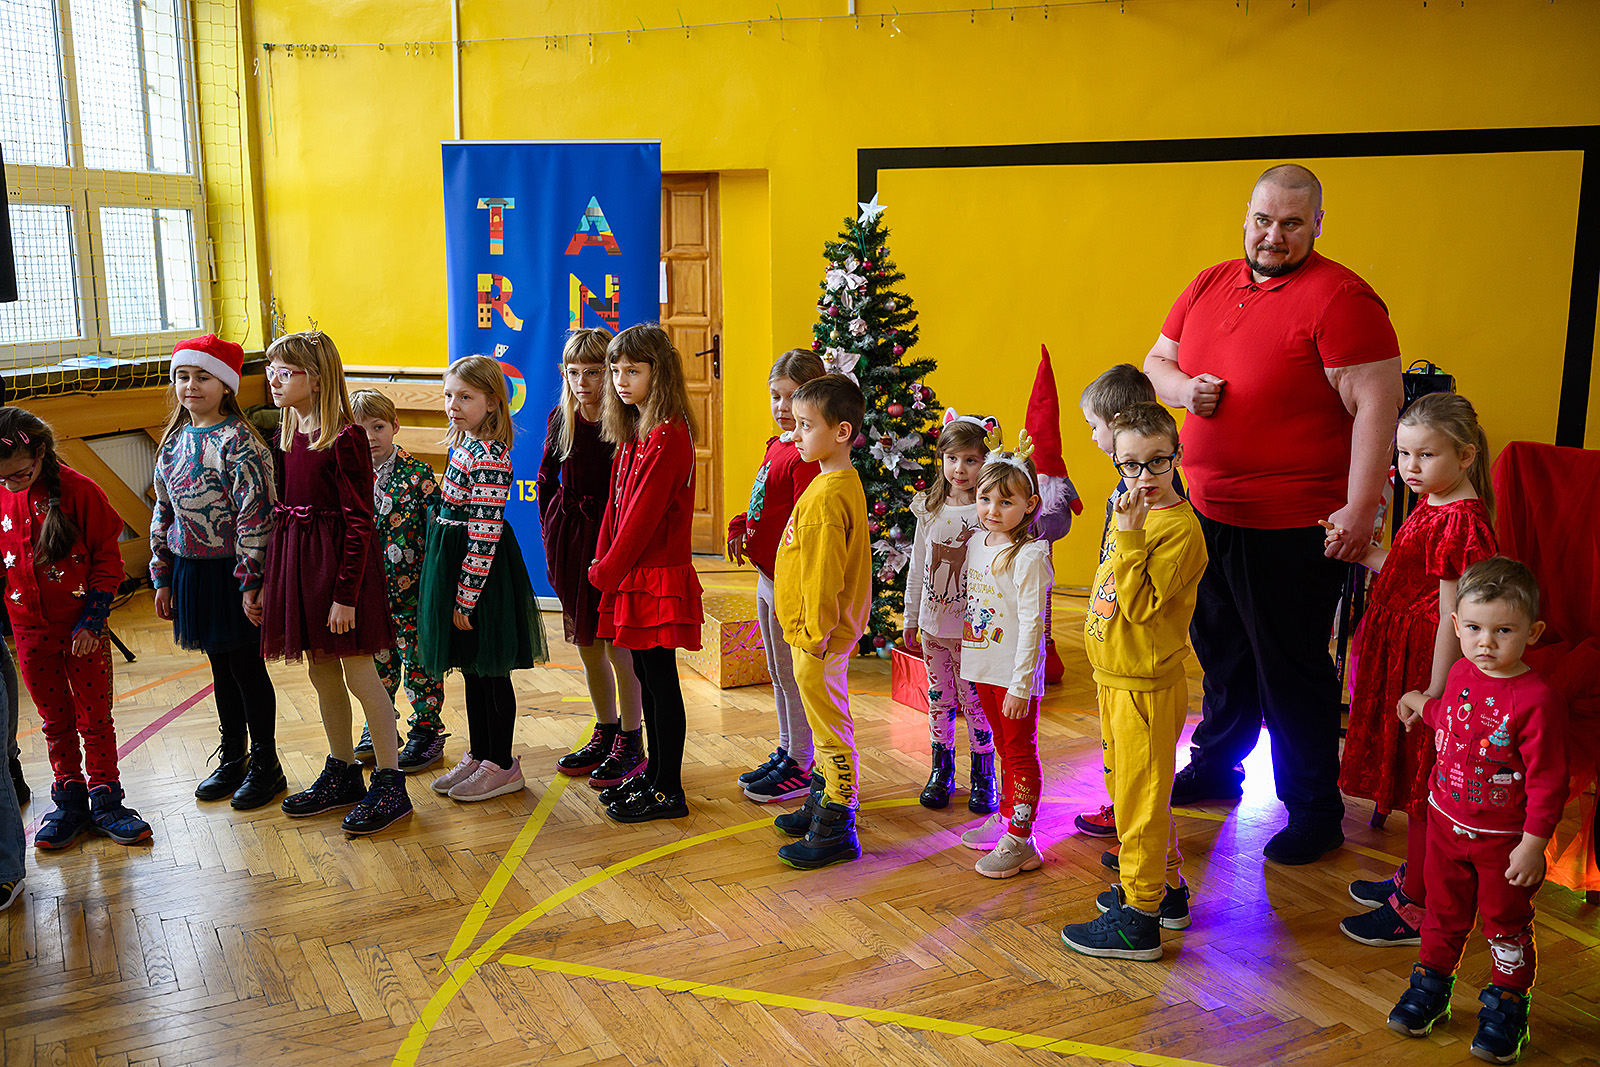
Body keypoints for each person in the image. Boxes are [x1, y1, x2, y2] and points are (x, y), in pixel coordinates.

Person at [1144, 162, 1404, 865]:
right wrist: (1182, 390)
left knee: (1290, 668)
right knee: (1221, 652)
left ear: (1317, 224)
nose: (1273, 235)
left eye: (1292, 223)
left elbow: (1378, 404)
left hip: (1292, 522)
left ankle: (1315, 808)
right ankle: (1218, 765)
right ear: (1247, 217)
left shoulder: (1343, 298)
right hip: (1205, 510)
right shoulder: (1209, 282)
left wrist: (1361, 506)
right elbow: (1158, 359)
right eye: (1263, 219)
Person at [1387, 557, 1567, 1065]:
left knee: (1505, 924)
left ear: (1532, 632)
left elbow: (1549, 781)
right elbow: (1454, 720)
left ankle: (1507, 1005)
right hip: (1446, 827)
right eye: (1473, 628)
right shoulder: (1462, 672)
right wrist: (1418, 700)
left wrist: (1533, 845)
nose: (1485, 642)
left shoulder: (1537, 700)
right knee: (1441, 914)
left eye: (1502, 630)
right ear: (1456, 625)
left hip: (1504, 843)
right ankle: (1430, 986)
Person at [1339, 392, 1497, 947]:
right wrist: (1360, 551)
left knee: (1426, 780)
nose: (1410, 466)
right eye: (1403, 454)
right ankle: (1415, 880)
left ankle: (1419, 906)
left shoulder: (1460, 520)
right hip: (1408, 654)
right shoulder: (1434, 503)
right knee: (1413, 775)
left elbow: (1455, 615)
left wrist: (1433, 691)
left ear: (1466, 456)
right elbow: (1413, 574)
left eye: (1425, 455)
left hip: (1430, 662)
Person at [1060, 403, 1207, 960]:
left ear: (1177, 457)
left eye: (1157, 462)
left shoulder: (1177, 530)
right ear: (1116, 461)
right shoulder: (1133, 513)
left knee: (1140, 805)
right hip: (1116, 677)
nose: (1143, 477)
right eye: (1130, 465)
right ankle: (1166, 892)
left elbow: (1141, 606)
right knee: (1134, 795)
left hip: (1144, 686)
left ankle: (1140, 918)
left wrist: (1129, 536)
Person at [260, 331, 409, 835]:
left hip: (341, 575)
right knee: (321, 673)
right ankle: (343, 770)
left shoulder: (344, 437)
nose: (274, 380)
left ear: (318, 378)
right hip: (302, 567)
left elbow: (360, 521)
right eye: (271, 371)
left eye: (286, 372)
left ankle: (390, 783)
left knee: (361, 676)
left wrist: (345, 595)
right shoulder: (288, 433)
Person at [0, 408, 150, 849]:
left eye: (19, 474)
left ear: (40, 453)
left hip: (82, 632)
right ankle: (69, 801)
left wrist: (93, 622)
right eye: (2, 478)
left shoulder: (80, 491)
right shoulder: (3, 492)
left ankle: (106, 800)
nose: (11, 484)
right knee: (55, 721)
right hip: (29, 632)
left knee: (95, 719)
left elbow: (109, 559)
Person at [151, 335, 284, 809]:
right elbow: (163, 510)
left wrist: (252, 580)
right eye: (183, 376)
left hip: (232, 572)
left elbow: (256, 515)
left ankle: (267, 764)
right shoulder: (173, 442)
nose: (191, 386)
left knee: (245, 666)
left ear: (226, 385)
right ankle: (234, 756)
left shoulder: (240, 443)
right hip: (191, 570)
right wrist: (162, 573)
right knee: (219, 667)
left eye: (203, 377)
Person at [587, 324, 704, 824]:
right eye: (616, 371)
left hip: (655, 577)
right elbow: (615, 510)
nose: (620, 380)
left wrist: (607, 570)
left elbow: (644, 517)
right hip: (632, 575)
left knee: (660, 681)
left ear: (660, 373)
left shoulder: (669, 434)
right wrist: (603, 562)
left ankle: (669, 790)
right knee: (646, 677)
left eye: (632, 371)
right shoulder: (637, 431)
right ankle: (654, 774)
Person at [422, 356, 547, 801]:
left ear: (492, 402)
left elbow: (485, 532)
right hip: (458, 569)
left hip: (480, 579)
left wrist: (466, 597)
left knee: (491, 672)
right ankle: (479, 755)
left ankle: (502, 763)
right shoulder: (464, 443)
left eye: (465, 397)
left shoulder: (490, 456)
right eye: (449, 395)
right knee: (472, 670)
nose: (453, 405)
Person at [1073, 363, 1178, 843]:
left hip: (1141, 662)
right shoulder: (1127, 488)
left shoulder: (1158, 502)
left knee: (1141, 764)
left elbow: (1142, 593)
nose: (1092, 436)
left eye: (1094, 426)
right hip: (1115, 657)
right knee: (1121, 754)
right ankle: (1127, 815)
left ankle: (1140, 845)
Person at [771, 373, 871, 869]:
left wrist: (813, 634)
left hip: (819, 637)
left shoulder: (829, 496)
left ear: (842, 432)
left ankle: (837, 821)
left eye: (806, 425)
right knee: (821, 719)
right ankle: (822, 795)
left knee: (829, 728)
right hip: (816, 632)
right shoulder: (835, 481)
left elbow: (824, 575)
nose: (794, 433)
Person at [539, 328, 647, 790]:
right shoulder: (560, 418)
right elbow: (546, 478)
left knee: (617, 645)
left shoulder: (627, 424)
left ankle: (631, 737)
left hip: (611, 540)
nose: (582, 382)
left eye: (593, 371)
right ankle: (605, 728)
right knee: (586, 644)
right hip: (572, 540)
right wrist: (552, 533)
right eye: (574, 372)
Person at [727, 349, 825, 803]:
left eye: (792, 397)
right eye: (775, 396)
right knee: (777, 670)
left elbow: (801, 522)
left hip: (790, 582)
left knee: (793, 673)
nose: (782, 407)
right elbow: (764, 501)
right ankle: (788, 750)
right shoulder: (779, 444)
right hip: (766, 577)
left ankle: (802, 763)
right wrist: (740, 525)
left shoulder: (806, 458)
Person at [955, 434, 1053, 879]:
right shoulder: (979, 542)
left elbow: (1033, 625)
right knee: (1002, 746)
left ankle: (1021, 838)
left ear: (1029, 505)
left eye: (1005, 502)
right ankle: (1009, 815)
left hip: (1014, 676)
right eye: (985, 499)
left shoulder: (1030, 556)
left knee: (1019, 751)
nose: (992, 510)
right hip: (983, 666)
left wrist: (1020, 685)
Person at [904, 409, 1000, 814]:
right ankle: (940, 770)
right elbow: (917, 565)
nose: (959, 469)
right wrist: (911, 617)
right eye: (952, 458)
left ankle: (983, 773)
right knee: (940, 700)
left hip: (972, 633)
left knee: (975, 703)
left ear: (985, 461)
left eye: (970, 460)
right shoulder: (929, 508)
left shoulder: (987, 511)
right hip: (933, 629)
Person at [350, 388, 448, 773]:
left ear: (395, 426)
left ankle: (427, 730)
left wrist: (434, 587)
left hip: (414, 592)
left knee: (421, 663)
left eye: (378, 427)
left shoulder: (418, 475)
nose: (371, 437)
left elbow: (434, 531)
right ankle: (379, 724)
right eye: (361, 430)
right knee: (378, 665)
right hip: (370, 594)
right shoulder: (348, 475)